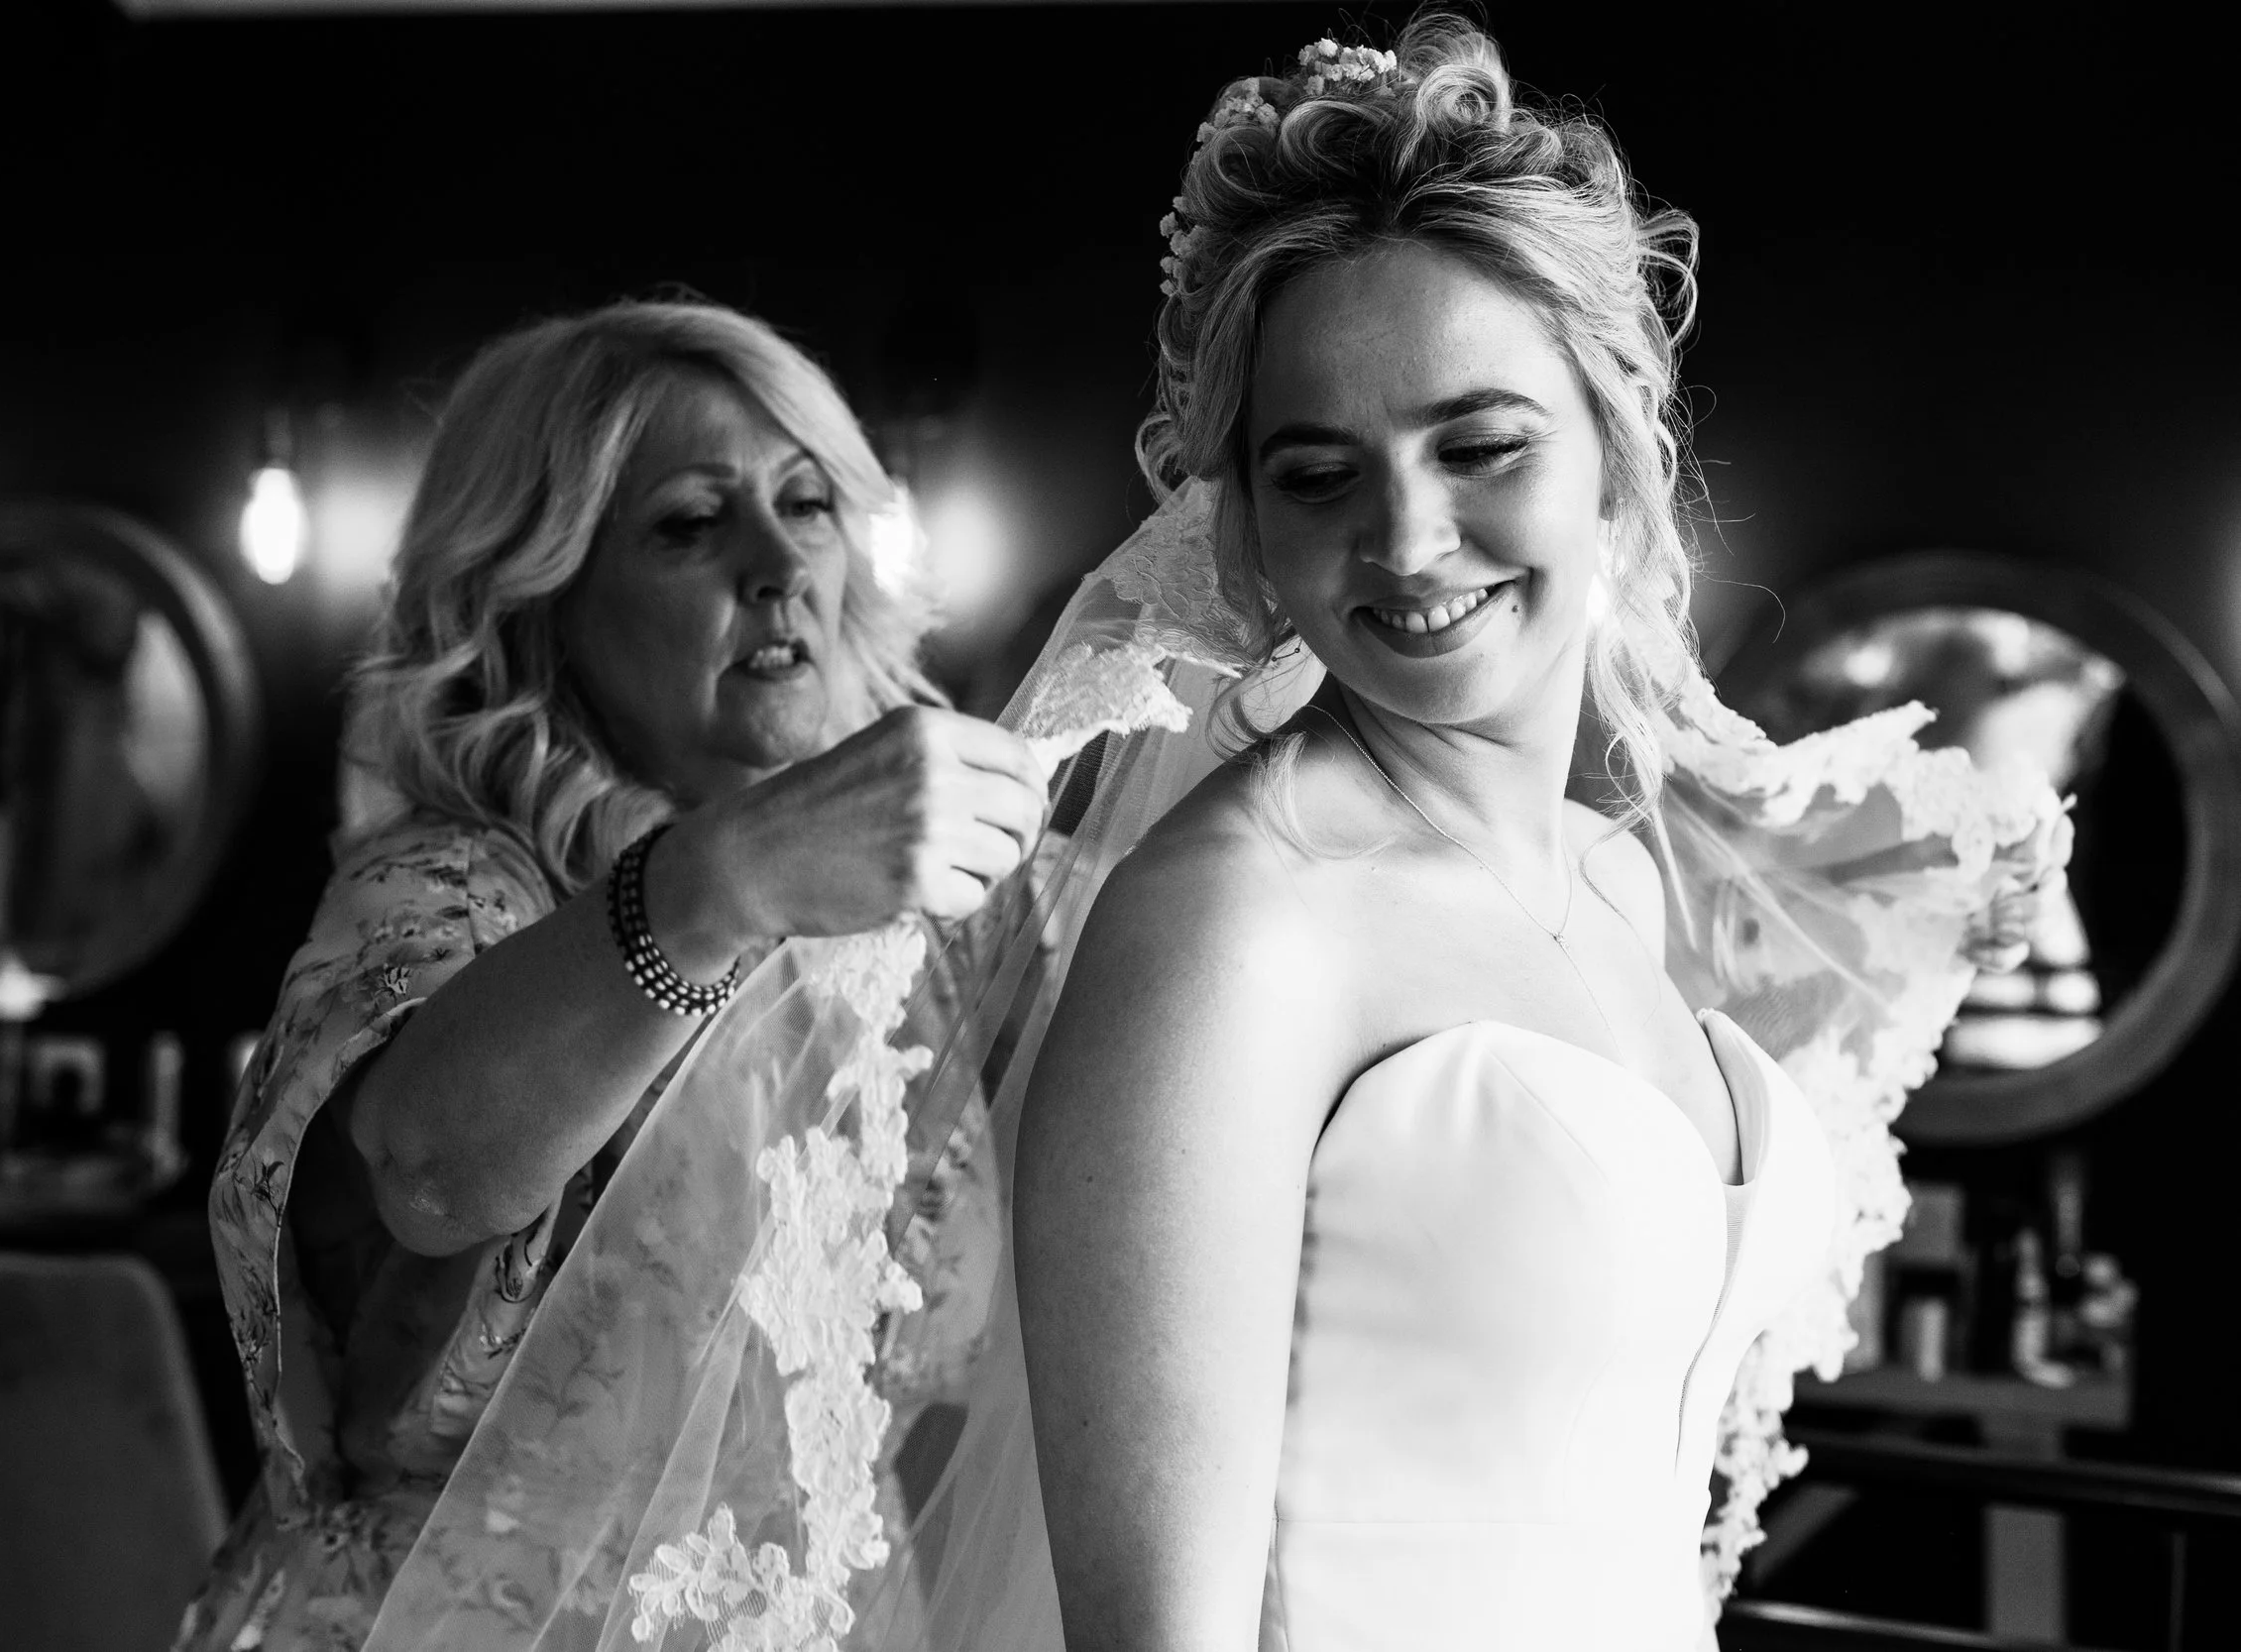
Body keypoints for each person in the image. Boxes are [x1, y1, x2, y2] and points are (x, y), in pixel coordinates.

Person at [1008, 15, 2062, 1651]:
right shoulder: (1234, 924)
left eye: (1482, 444)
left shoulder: (1616, 872)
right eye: (1315, 473)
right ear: (1245, 528)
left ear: (1617, 447)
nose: (1408, 538)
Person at [170, 299, 1054, 1652]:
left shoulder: (919, 939)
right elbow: (425, 1173)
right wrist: (723, 880)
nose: (775, 565)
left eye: (807, 504)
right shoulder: (454, 887)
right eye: (690, 524)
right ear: (541, 601)